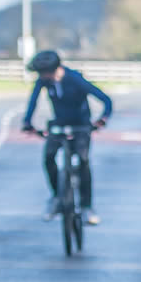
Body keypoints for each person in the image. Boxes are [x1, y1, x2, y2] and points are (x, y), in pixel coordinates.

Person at [21, 50, 112, 225]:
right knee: (48, 157)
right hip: (59, 124)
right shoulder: (44, 81)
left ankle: (87, 207)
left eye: (43, 73)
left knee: (84, 161)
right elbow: (33, 101)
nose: (41, 76)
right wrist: (27, 122)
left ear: (53, 69)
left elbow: (105, 99)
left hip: (81, 124)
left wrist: (102, 119)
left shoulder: (74, 79)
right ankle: (56, 197)